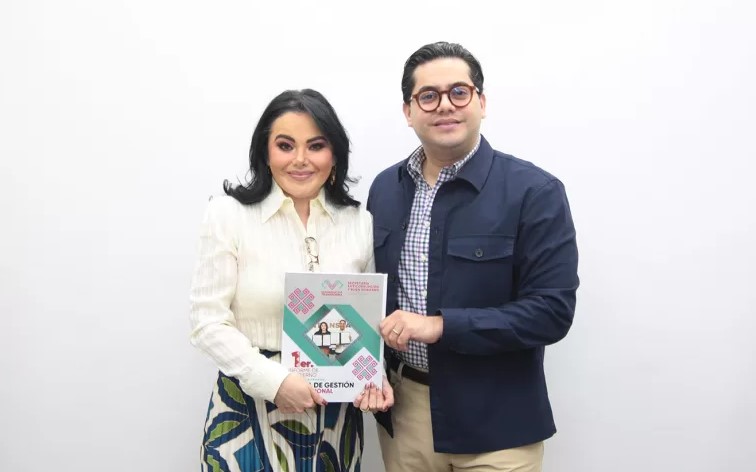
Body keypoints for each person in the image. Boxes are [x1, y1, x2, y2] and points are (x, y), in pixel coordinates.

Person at [367, 42, 579, 472]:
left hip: (498, 421)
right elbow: (371, 293)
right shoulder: (385, 189)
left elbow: (551, 312)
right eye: (429, 96)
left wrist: (440, 325)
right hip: (405, 415)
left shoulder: (534, 192)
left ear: (481, 102)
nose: (445, 105)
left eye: (459, 92)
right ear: (408, 111)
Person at [189, 89, 393, 472]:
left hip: (334, 419)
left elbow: (363, 323)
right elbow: (207, 322)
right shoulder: (228, 216)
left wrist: (372, 375)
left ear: (335, 155)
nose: (300, 159)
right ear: (265, 153)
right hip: (249, 407)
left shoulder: (359, 223)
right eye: (285, 145)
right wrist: (274, 382)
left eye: (316, 146)